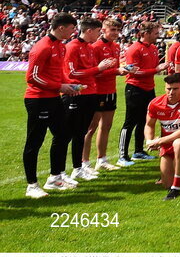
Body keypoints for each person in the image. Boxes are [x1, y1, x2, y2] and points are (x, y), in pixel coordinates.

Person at [23, 12, 81, 198]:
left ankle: (55, 178)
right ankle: (32, 185)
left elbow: (58, 73)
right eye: (72, 28)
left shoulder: (60, 46)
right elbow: (32, 76)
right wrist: (61, 86)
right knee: (35, 141)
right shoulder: (42, 47)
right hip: (38, 99)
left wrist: (69, 85)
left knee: (64, 134)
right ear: (61, 27)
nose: (74, 32)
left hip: (53, 97)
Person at [64, 17, 118, 182]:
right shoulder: (73, 47)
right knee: (75, 133)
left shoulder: (88, 47)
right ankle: (75, 167)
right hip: (77, 94)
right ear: (89, 31)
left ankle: (81, 168)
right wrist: (100, 68)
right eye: (97, 31)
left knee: (83, 131)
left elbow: (94, 70)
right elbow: (72, 73)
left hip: (91, 93)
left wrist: (105, 68)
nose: (99, 33)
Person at [144, 73, 180, 201]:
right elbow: (149, 125)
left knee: (179, 144)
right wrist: (149, 140)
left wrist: (160, 140)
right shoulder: (155, 103)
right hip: (167, 141)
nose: (171, 92)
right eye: (168, 89)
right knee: (166, 184)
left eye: (175, 89)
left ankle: (176, 188)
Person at [119, 21, 166, 166]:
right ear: (145, 34)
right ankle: (122, 155)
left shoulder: (152, 48)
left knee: (144, 121)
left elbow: (152, 67)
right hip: (135, 88)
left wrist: (156, 69)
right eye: (156, 33)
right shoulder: (134, 49)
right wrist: (156, 70)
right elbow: (135, 71)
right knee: (130, 122)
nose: (158, 36)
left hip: (148, 88)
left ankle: (138, 151)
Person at [83, 17, 124, 174]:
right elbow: (95, 73)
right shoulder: (96, 47)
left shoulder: (116, 46)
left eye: (117, 30)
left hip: (110, 91)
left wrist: (122, 70)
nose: (115, 33)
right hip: (97, 92)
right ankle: (84, 163)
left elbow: (115, 70)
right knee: (90, 128)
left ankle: (101, 160)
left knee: (106, 126)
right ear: (103, 30)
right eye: (112, 30)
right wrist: (116, 71)